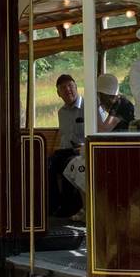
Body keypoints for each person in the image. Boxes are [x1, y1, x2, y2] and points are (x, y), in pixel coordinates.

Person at [48, 73, 85, 216]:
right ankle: (53, 206)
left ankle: (70, 208)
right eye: (63, 88)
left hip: (81, 150)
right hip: (65, 150)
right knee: (48, 165)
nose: (68, 90)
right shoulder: (61, 112)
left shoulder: (87, 108)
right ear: (58, 93)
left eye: (70, 86)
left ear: (76, 87)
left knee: (68, 165)